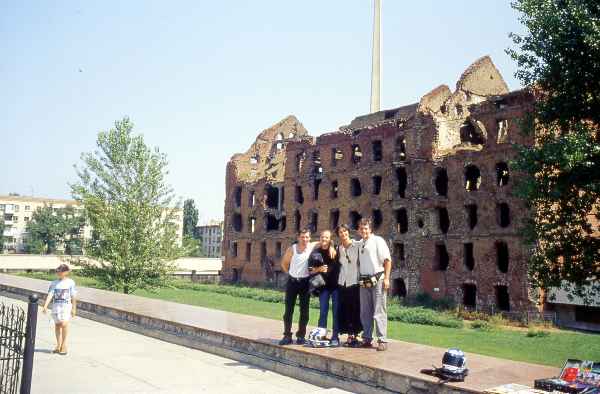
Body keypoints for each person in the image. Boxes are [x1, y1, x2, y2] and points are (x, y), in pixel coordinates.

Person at [357, 218, 392, 351]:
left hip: (378, 279)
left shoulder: (378, 241)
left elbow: (387, 261)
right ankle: (367, 338)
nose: (363, 230)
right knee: (365, 312)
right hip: (364, 281)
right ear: (359, 230)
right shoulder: (360, 243)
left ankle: (382, 340)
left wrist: (387, 279)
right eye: (361, 228)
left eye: (365, 228)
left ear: (370, 229)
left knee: (379, 310)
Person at [308, 230, 341, 346]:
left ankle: (335, 337)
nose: (324, 239)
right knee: (323, 312)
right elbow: (310, 270)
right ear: (320, 238)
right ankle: (321, 336)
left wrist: (332, 246)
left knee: (336, 312)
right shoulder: (315, 252)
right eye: (322, 237)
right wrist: (319, 269)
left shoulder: (336, 249)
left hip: (336, 286)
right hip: (323, 287)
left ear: (330, 239)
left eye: (327, 237)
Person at [335, 224, 362, 347]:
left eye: (345, 231)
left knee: (355, 309)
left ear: (348, 232)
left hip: (354, 282)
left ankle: (356, 335)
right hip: (342, 283)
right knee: (345, 309)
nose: (343, 234)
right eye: (340, 232)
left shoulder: (357, 245)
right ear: (338, 235)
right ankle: (350, 335)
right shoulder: (339, 248)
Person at [42, 264, 77, 355]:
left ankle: (64, 345)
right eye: (58, 271)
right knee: (57, 325)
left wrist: (74, 308)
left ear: (66, 272)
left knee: (64, 324)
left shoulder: (70, 282)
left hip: (66, 306)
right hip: (56, 306)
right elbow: (50, 294)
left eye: (61, 271)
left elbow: (73, 296)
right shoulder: (54, 283)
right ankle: (58, 345)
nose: (59, 273)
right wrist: (45, 306)